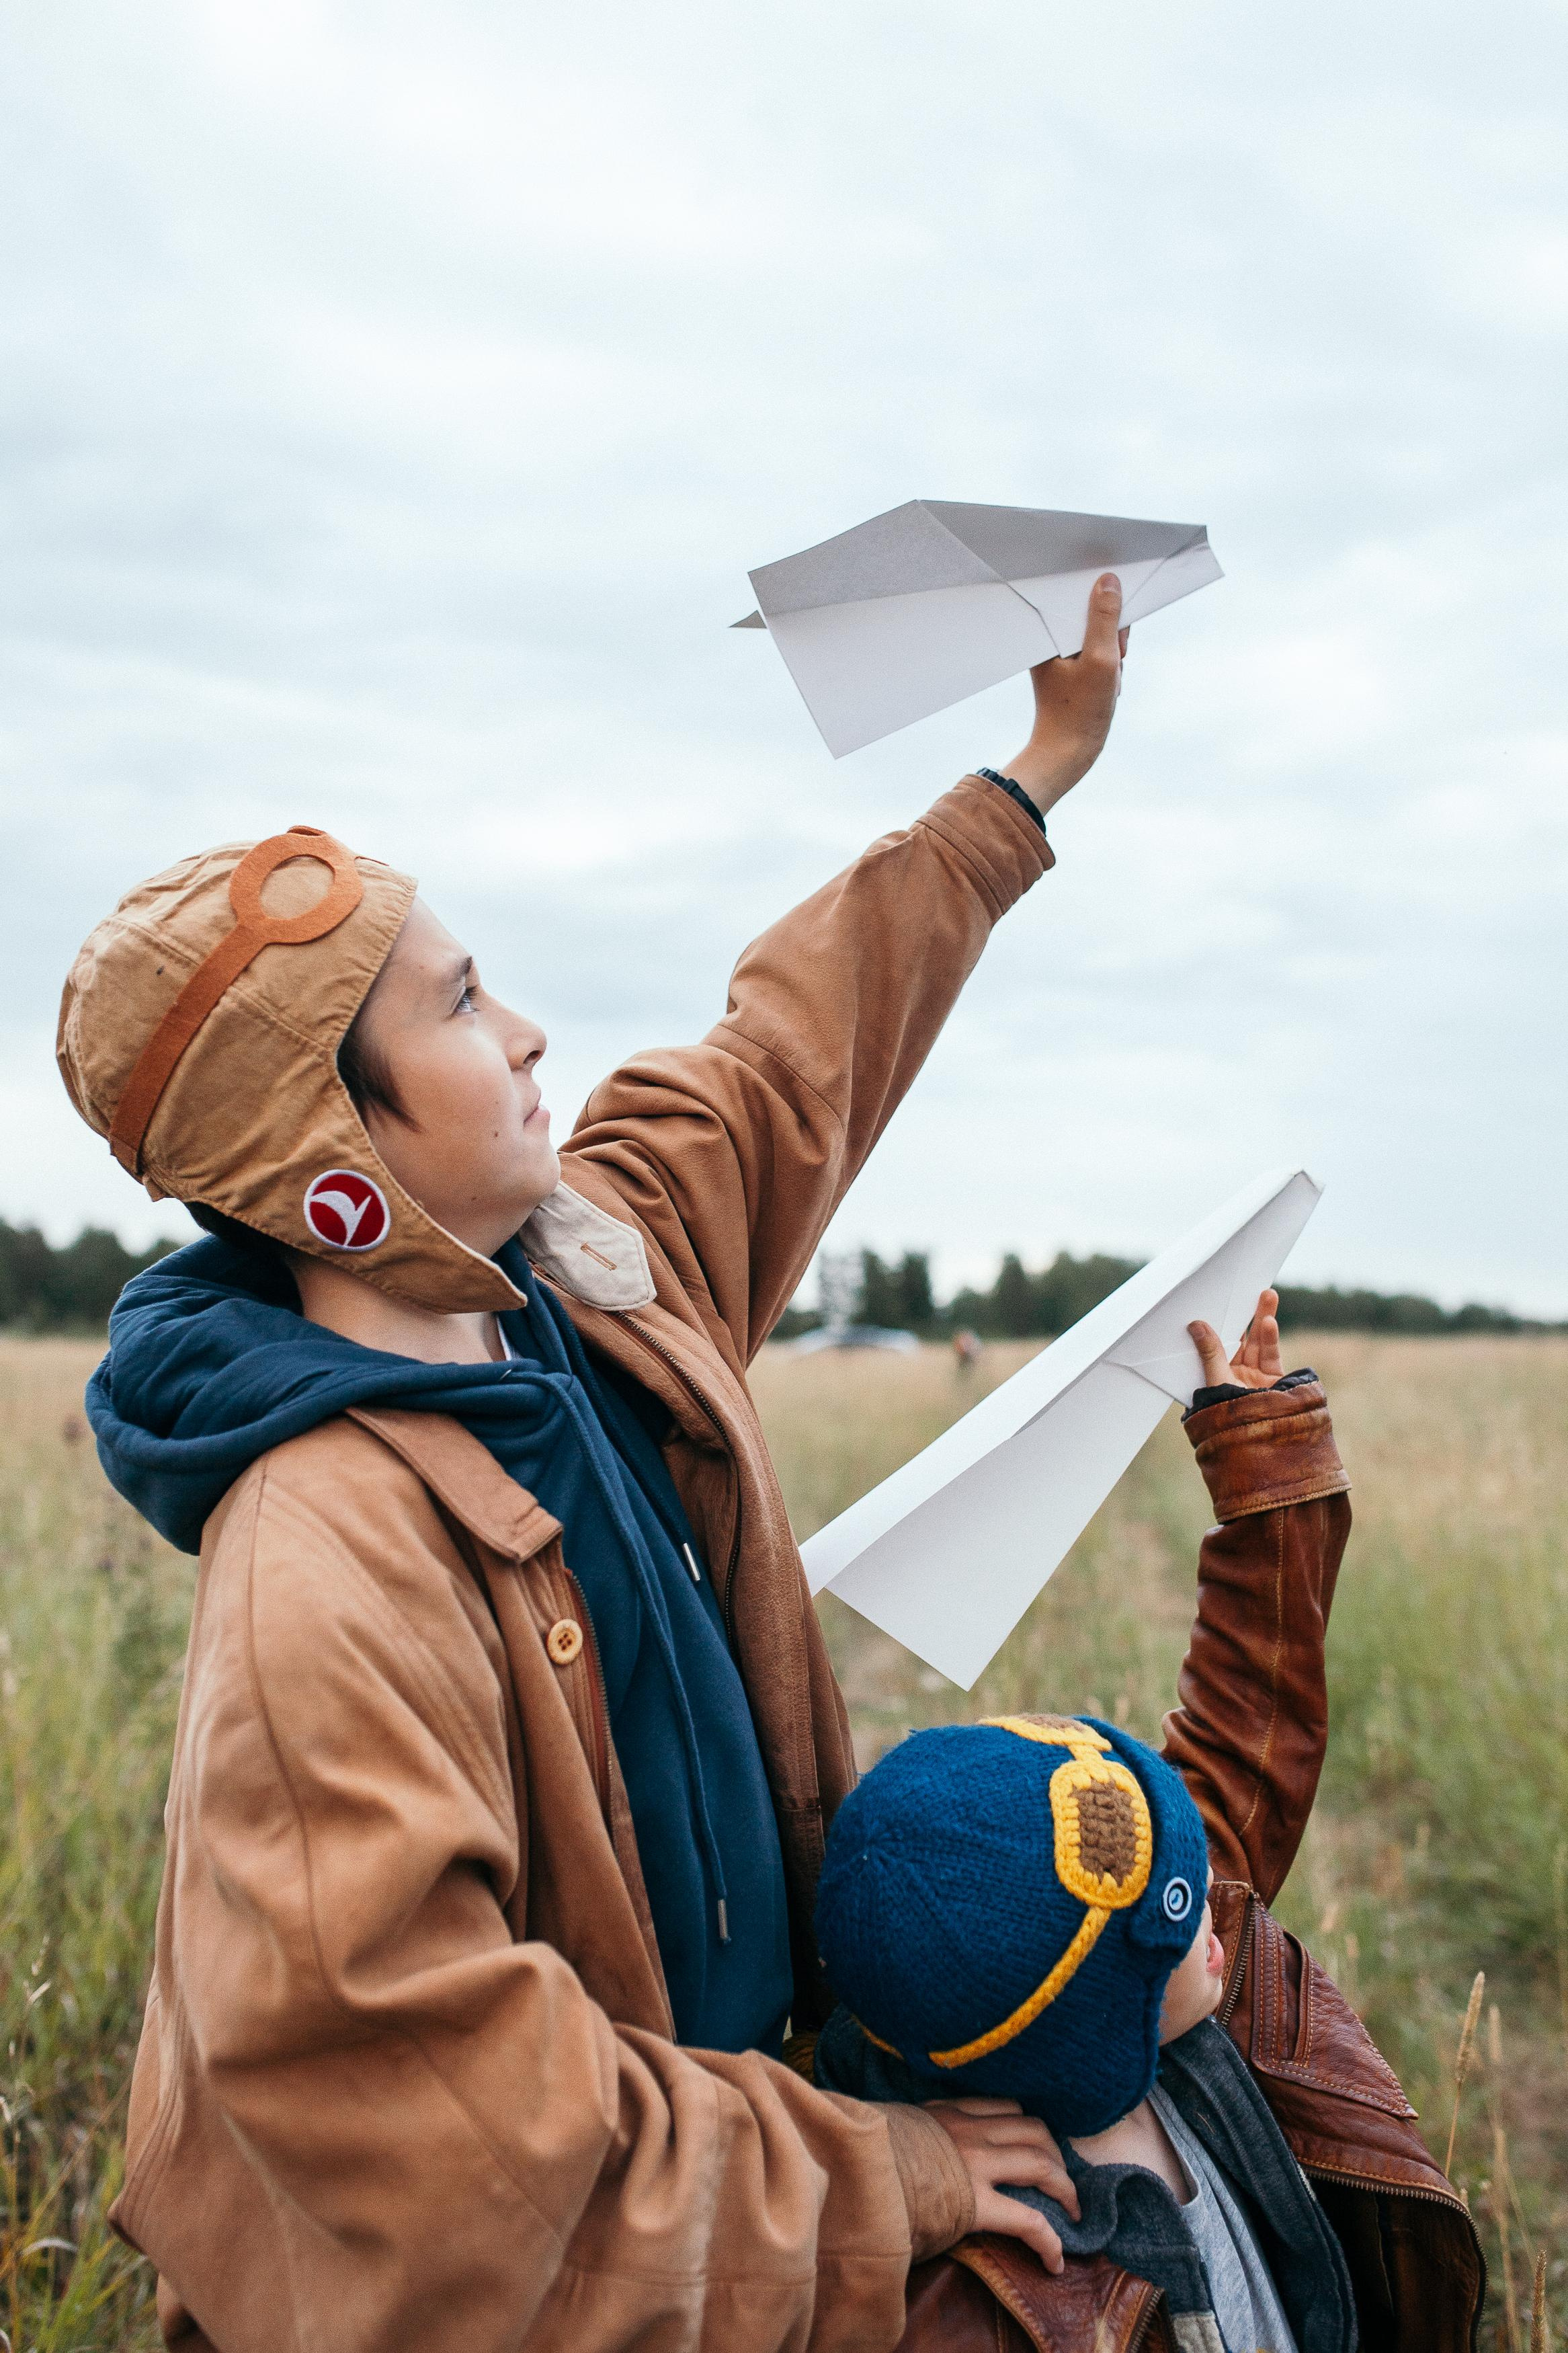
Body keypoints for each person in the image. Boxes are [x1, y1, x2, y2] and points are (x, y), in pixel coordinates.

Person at [58, 577, 1134, 2353]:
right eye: (465, 1007)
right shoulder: (319, 1559)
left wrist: (1028, 773)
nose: (532, 1030)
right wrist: (888, 2178)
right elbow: (454, 2154)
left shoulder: (592, 1265)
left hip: (733, 2216)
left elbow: (793, 1047)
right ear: (340, 1166)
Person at [812, 1300, 1484, 2350]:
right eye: (1177, 1922)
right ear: (1094, 2038)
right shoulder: (986, 2295)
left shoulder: (1136, 1962)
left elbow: (1237, 1733)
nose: (1214, 1913)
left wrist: (1266, 1475)